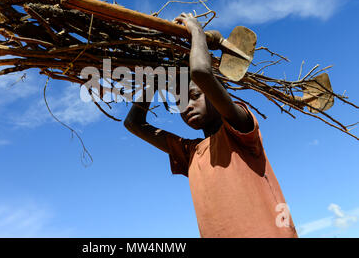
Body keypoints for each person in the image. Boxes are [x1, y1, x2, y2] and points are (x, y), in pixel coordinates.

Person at [123, 13, 298, 238]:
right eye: (179, 102)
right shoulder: (191, 153)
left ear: (216, 92)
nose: (186, 106)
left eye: (194, 95)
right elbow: (133, 123)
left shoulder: (241, 127)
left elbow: (201, 73)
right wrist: (152, 82)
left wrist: (196, 30)